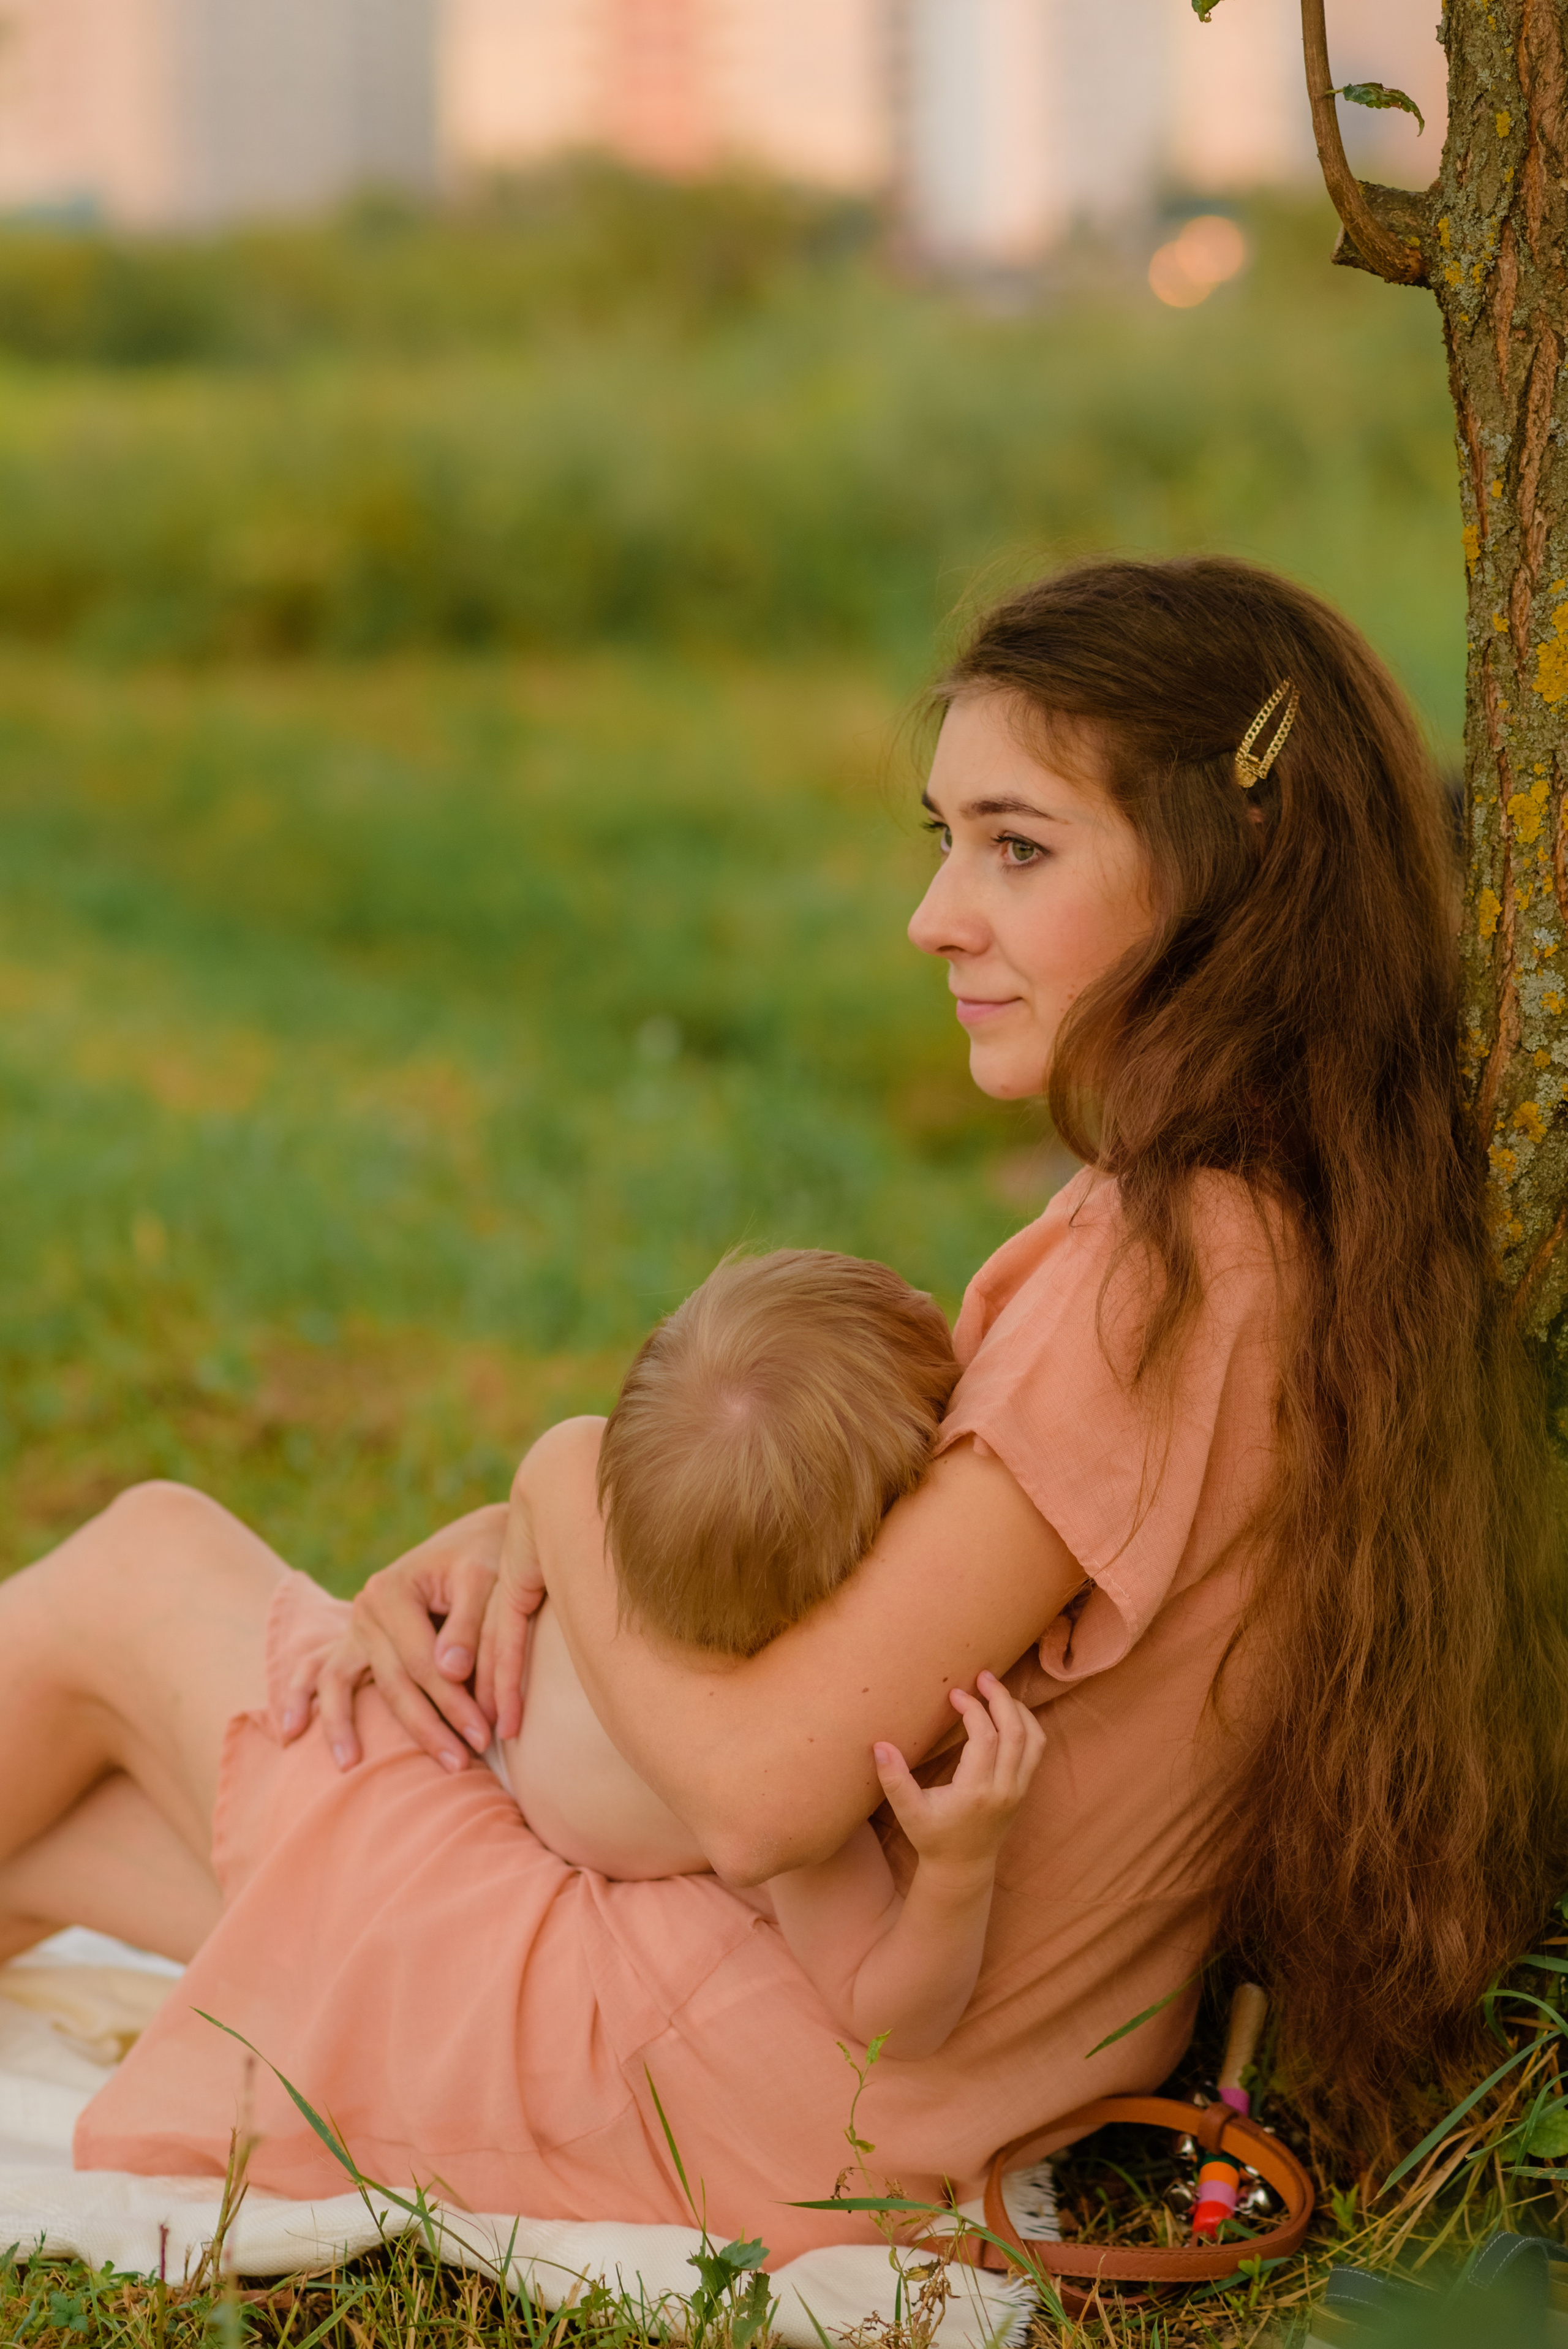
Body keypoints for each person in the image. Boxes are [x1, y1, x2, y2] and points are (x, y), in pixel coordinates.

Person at [1, 557, 1564, 2255]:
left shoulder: (1167, 1278)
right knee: (80, 1825)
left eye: (1019, 847)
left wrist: (562, 1477)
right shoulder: (1310, 1231)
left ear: (1230, 877)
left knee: (146, 1569)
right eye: (943, 838)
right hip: (885, 2069)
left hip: (757, 2077)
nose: (937, 915)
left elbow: (767, 1794)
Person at [492, 1246, 1046, 2060]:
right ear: (875, 1567)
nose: (936, 1291)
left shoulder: (610, 1533)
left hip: (476, 1705)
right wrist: (958, 1869)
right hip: (482, 1779)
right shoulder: (780, 1763)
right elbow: (890, 2017)